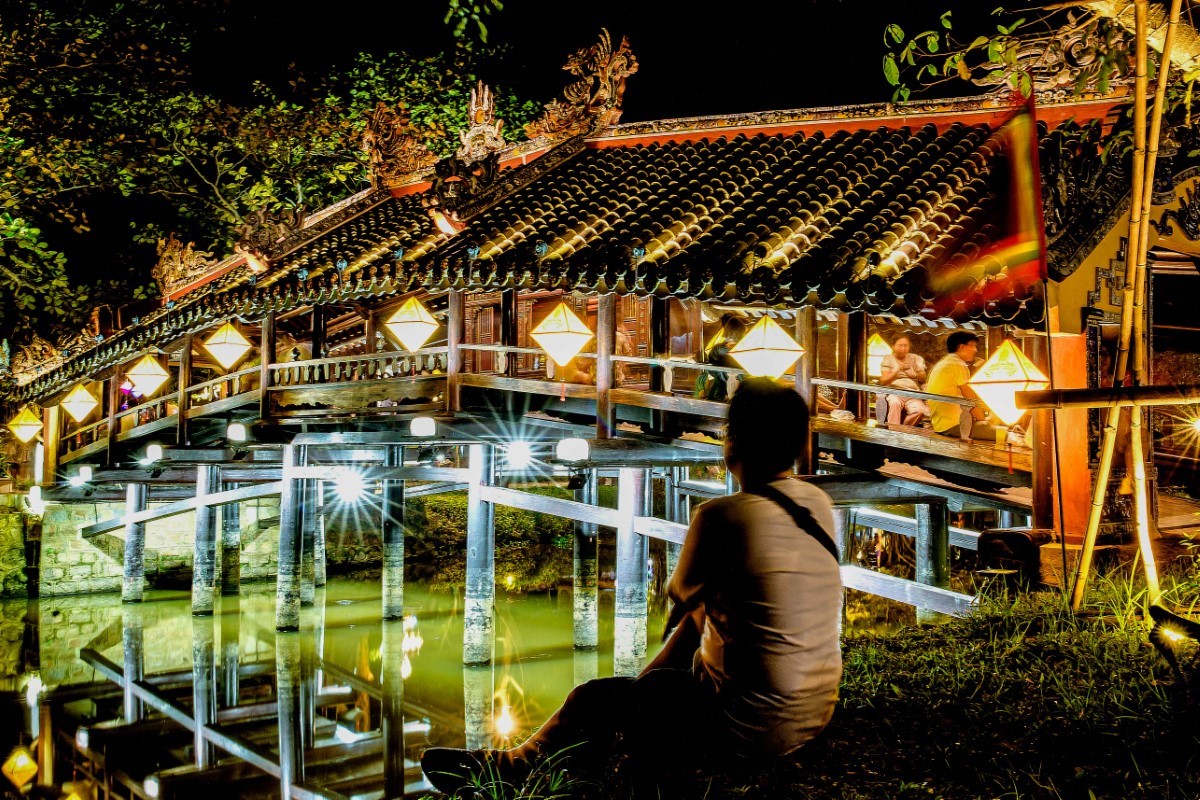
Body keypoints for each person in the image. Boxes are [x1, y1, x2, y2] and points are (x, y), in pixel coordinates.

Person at [420, 379, 844, 793]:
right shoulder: (819, 505)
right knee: (684, 639)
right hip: (811, 714)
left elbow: (680, 599)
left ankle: (513, 767)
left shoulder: (722, 515)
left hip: (745, 728)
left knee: (594, 697)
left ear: (732, 441)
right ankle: (587, 725)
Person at [925, 331, 996, 441]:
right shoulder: (958, 364)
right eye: (972, 346)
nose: (975, 350)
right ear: (961, 347)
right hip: (954, 426)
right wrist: (983, 421)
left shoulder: (946, 362)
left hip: (941, 425)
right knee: (1005, 434)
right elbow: (970, 400)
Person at [876, 334, 929, 426]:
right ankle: (894, 431)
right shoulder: (888, 358)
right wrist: (896, 372)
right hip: (895, 392)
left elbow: (923, 378)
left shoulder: (915, 358)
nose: (903, 348)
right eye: (900, 345)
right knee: (895, 403)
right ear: (893, 346)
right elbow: (883, 381)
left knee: (920, 410)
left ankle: (902, 430)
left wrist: (913, 372)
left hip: (912, 393)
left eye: (905, 345)